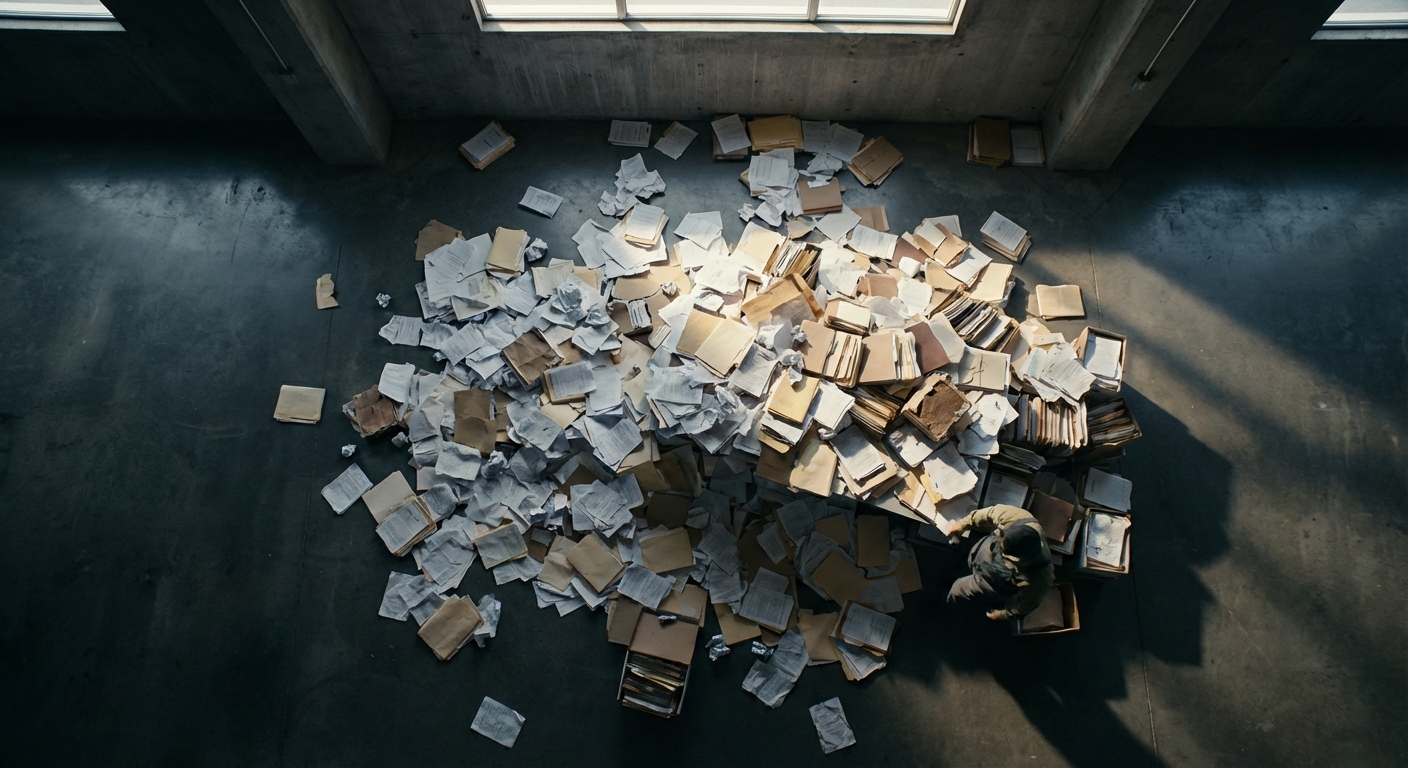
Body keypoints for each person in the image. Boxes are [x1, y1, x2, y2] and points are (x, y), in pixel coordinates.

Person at [942, 504, 1054, 621]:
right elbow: (990, 513)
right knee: (963, 550)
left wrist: (1004, 614)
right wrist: (962, 524)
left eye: (1003, 546)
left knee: (957, 590)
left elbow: (1026, 606)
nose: (1001, 540)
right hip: (981, 552)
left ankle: (943, 603)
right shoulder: (1020, 518)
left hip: (988, 581)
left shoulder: (1039, 577)